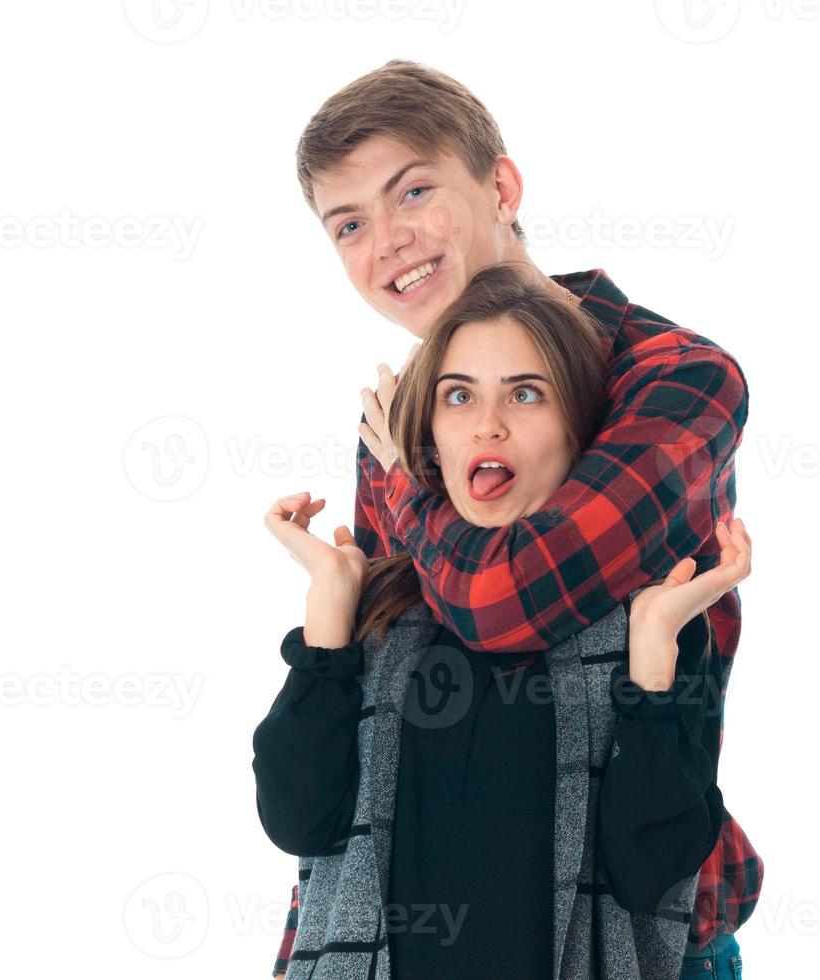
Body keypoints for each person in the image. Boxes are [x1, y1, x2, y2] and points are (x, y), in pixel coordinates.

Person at [275, 59, 762, 978]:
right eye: (349, 224)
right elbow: (368, 735)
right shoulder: (404, 422)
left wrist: (410, 488)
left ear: (501, 185)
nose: (388, 243)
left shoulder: (674, 377)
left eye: (412, 190)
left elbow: (504, 601)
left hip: (636, 923)